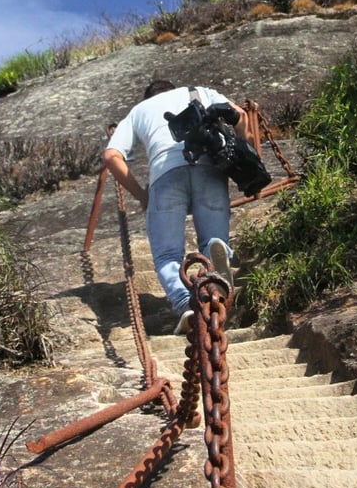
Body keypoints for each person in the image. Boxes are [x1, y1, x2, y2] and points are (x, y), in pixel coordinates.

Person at [102, 79, 249, 333]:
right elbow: (242, 117)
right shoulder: (201, 91)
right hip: (208, 166)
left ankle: (185, 303)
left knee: (167, 255)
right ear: (174, 89)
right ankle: (218, 252)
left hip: (165, 175)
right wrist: (247, 156)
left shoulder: (139, 111)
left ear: (147, 96)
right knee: (213, 238)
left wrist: (141, 196)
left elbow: (111, 156)